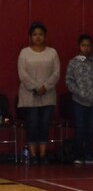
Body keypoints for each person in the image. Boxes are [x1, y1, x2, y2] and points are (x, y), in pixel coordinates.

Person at [17, 22, 60, 163]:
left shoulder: (52, 52)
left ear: (45, 36)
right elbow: (22, 74)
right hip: (30, 95)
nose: (38, 37)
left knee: (44, 124)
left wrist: (45, 87)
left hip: (48, 95)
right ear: (30, 37)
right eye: (35, 34)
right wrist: (35, 87)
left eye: (40, 34)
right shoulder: (24, 52)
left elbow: (56, 73)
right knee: (33, 124)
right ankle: (33, 155)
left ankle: (43, 155)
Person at [66, 34, 93, 164]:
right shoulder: (74, 62)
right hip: (79, 101)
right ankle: (78, 154)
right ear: (79, 46)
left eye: (88, 45)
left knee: (91, 127)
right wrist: (78, 92)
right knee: (80, 127)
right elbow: (69, 81)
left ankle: (88, 153)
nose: (86, 48)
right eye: (83, 45)